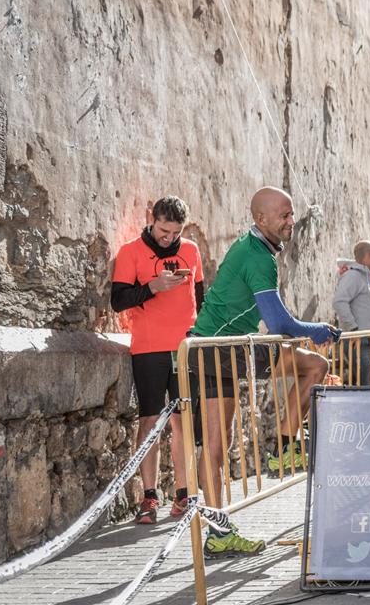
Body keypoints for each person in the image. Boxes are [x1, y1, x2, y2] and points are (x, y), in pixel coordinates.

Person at [187, 186, 336, 558]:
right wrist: (317, 329)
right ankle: (223, 525)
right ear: (261, 219)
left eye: (291, 214)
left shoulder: (259, 249)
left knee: (313, 368)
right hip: (214, 351)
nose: (291, 222)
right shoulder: (258, 257)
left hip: (225, 347)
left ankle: (281, 449)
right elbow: (278, 322)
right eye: (284, 216)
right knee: (217, 446)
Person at [110, 196, 204, 524]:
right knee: (149, 420)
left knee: (182, 422)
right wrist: (153, 286)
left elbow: (202, 299)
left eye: (175, 232)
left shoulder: (190, 250)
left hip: (185, 349)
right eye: (164, 231)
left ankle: (182, 493)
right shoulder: (130, 252)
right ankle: (149, 496)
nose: (169, 238)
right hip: (148, 348)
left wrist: (199, 337)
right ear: (152, 219)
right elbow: (118, 301)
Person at [333, 240, 370, 384]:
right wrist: (353, 329)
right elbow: (339, 301)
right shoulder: (354, 276)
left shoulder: (365, 276)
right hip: (359, 340)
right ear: (368, 255)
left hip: (367, 340)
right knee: (366, 384)